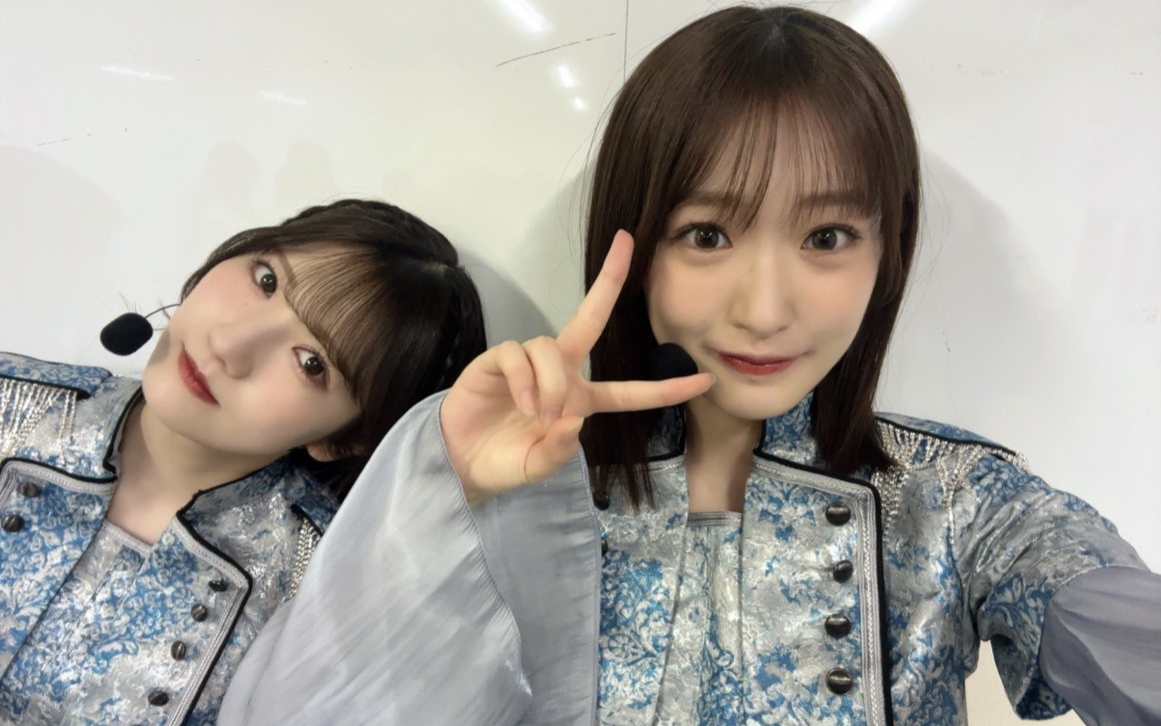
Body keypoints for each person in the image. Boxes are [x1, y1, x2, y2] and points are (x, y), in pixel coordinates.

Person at [220, 7, 1160, 726]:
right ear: (635, 251)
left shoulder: (961, 503)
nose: (764, 308)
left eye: (826, 236)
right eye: (706, 234)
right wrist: (438, 486)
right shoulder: (532, 481)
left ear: (887, 251)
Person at [0, 198, 486, 726]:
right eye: (266, 280)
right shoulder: (13, 404)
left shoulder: (320, 590)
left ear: (344, 440)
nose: (229, 344)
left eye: (311, 363)